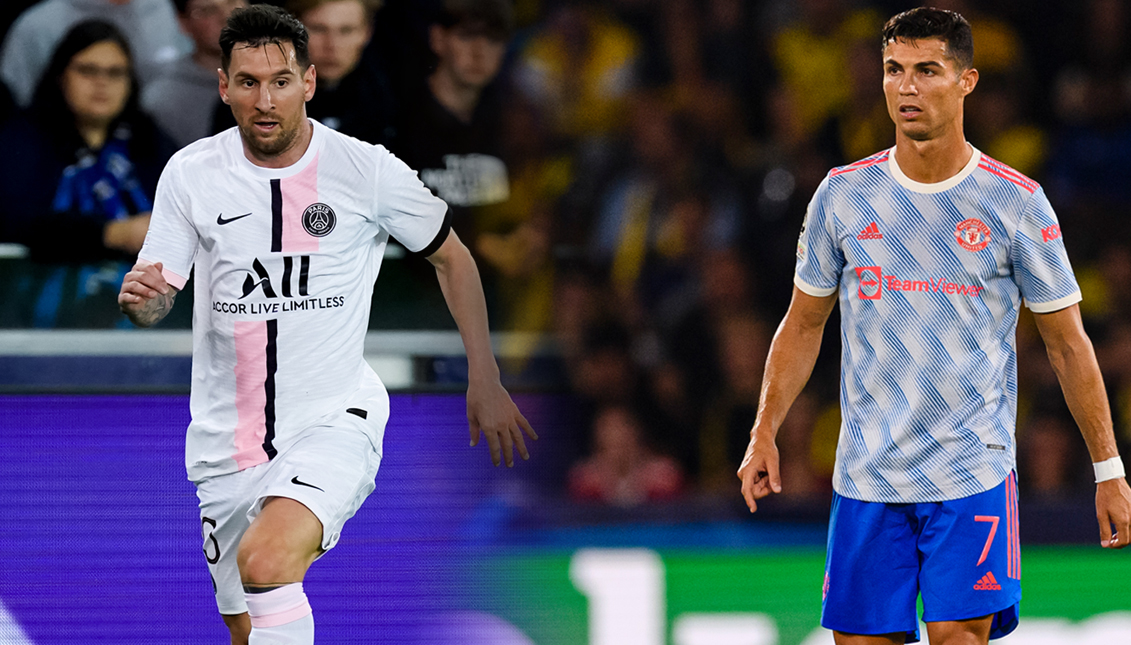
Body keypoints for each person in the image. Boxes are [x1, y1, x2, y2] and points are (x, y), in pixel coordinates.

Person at [116, 6, 535, 644]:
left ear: (308, 82)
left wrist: (486, 375)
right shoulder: (190, 174)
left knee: (266, 561)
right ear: (223, 86)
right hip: (226, 443)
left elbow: (453, 256)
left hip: (335, 421)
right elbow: (158, 295)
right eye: (248, 82)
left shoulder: (366, 169)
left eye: (280, 81)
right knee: (245, 624)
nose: (265, 100)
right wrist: (141, 301)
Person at [737, 8, 1131, 645]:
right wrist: (765, 431)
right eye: (894, 70)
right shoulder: (843, 196)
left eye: (927, 70)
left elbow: (1067, 343)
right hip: (866, 475)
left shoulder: (1015, 202)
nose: (906, 87)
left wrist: (1108, 469)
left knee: (959, 637)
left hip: (970, 473)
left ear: (967, 81)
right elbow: (802, 325)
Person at [0, 19, 174, 327]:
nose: (102, 83)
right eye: (87, 70)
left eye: (115, 73)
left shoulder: (151, 143)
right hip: (28, 328)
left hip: (145, 332)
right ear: (60, 76)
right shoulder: (21, 140)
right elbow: (15, 220)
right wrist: (112, 234)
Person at [213, 0, 396, 145]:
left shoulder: (396, 100)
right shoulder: (250, 97)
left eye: (346, 30)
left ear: (367, 32)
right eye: (318, 29)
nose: (332, 45)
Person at [0, 0, 191, 108]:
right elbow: (16, 104)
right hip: (54, 155)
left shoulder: (175, 15)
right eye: (87, 70)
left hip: (149, 152)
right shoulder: (38, 26)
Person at [142, 0, 247, 148]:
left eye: (232, 2)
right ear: (183, 22)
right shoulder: (163, 101)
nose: (226, 16)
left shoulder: (284, 74)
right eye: (209, 10)